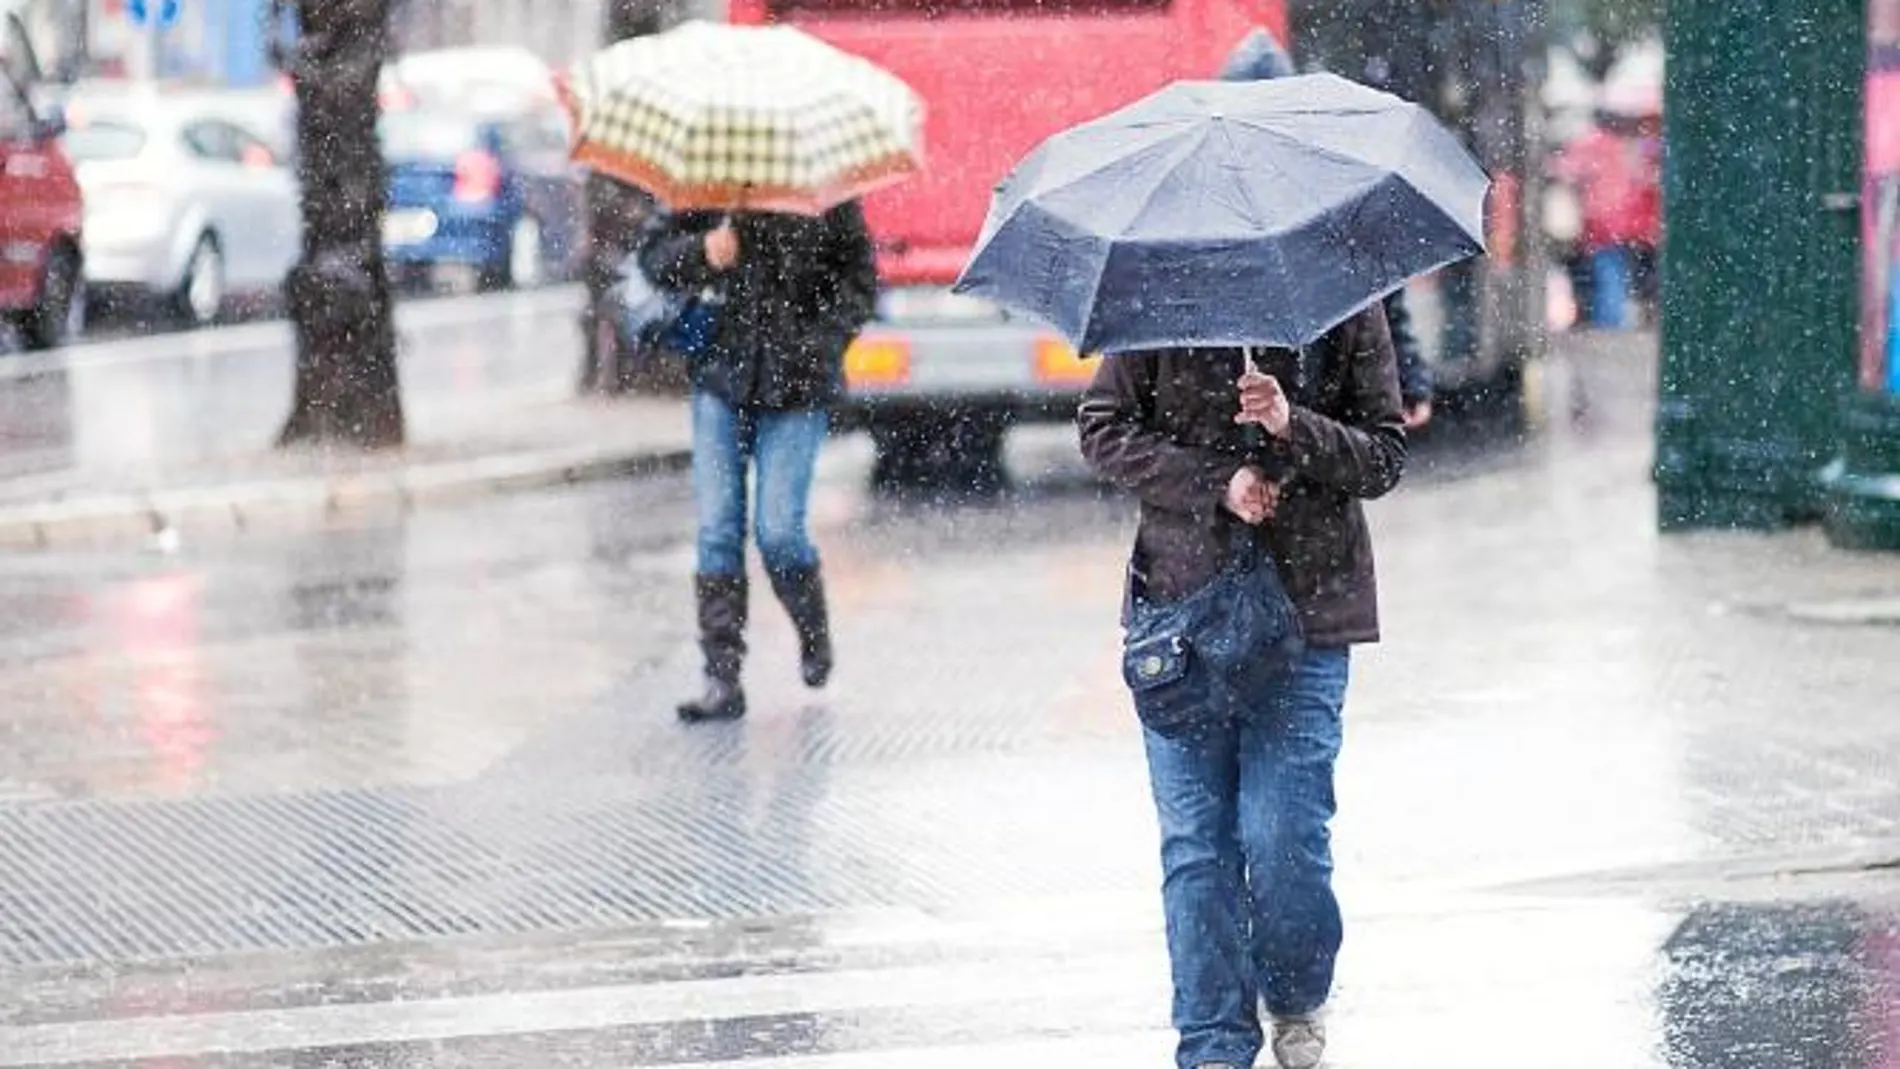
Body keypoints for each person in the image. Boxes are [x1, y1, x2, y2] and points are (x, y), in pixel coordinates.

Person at [1077, 304, 1406, 1068]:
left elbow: (1383, 457)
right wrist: (1217, 481)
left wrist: (1293, 426)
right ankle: (1213, 1043)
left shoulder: (1341, 303)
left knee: (1283, 836)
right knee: (1197, 845)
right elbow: (1102, 427)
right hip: (1181, 615)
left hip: (1308, 612)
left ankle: (1294, 990)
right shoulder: (1158, 300)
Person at [638, 202, 878, 721]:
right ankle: (721, 677)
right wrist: (703, 252)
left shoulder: (820, 191)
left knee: (779, 532)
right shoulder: (707, 183)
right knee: (717, 530)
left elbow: (859, 281)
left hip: (797, 387)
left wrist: (818, 344)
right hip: (719, 378)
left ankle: (812, 631)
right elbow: (653, 258)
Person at [1219, 29, 1434, 430]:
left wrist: (1407, 376)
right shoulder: (1329, 181)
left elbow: (1379, 293)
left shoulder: (1326, 186)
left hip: (1311, 405)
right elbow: (1382, 290)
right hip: (1283, 407)